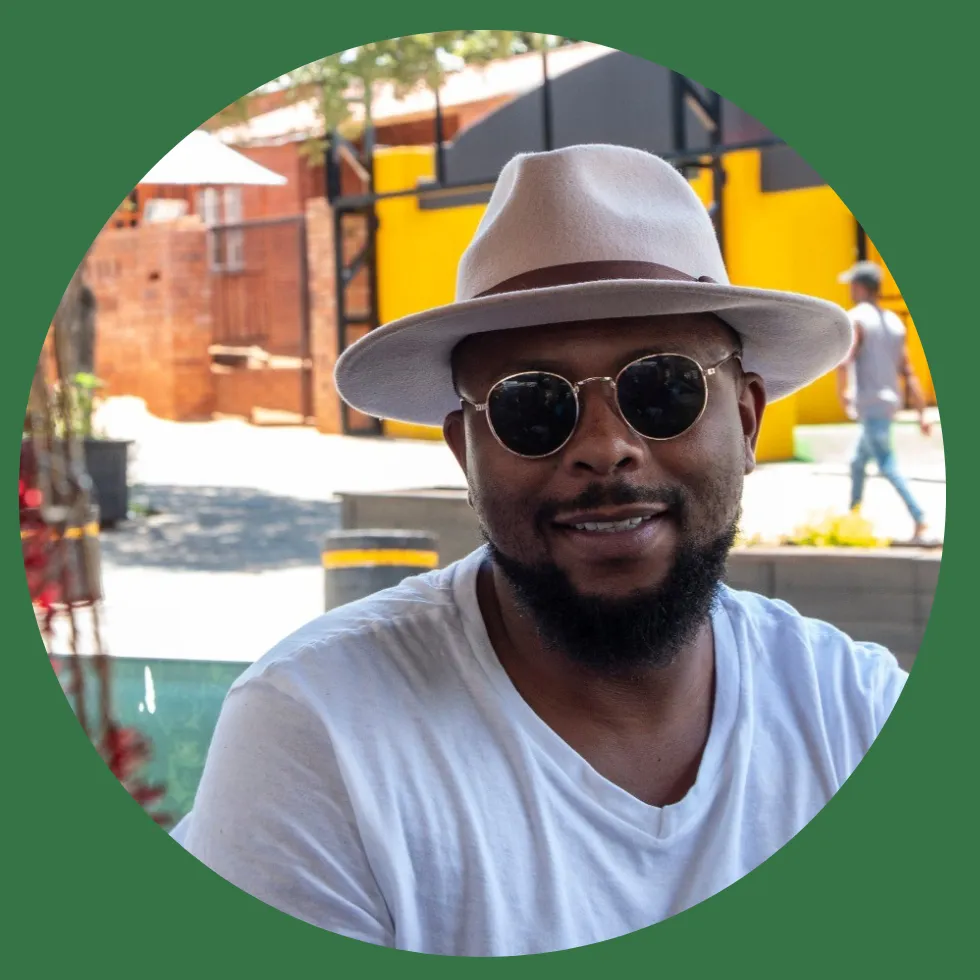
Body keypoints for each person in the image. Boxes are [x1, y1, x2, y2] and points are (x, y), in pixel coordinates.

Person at [176, 145, 907, 956]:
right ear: (466, 454)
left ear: (744, 420)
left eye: (662, 388)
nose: (605, 448)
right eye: (532, 405)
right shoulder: (318, 734)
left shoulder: (856, 714)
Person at [836, 260, 934, 543]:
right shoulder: (894, 322)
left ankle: (920, 518)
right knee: (857, 462)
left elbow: (844, 361)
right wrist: (922, 413)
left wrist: (842, 394)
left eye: (852, 285)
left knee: (886, 464)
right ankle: (853, 519)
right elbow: (908, 371)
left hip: (870, 404)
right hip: (888, 404)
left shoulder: (856, 318)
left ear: (860, 287)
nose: (850, 290)